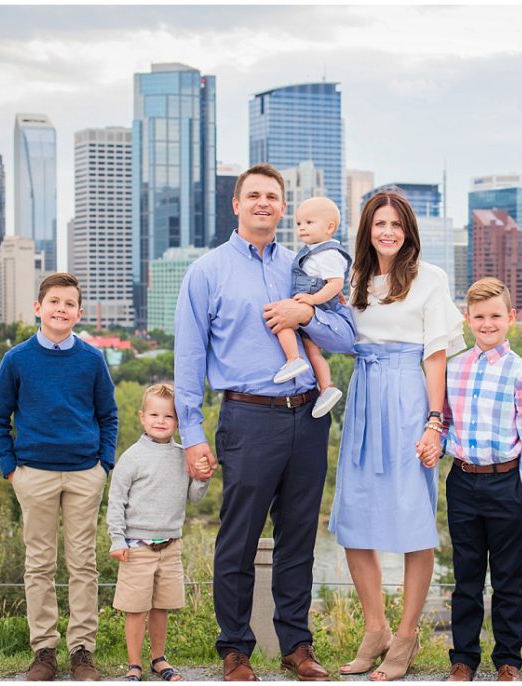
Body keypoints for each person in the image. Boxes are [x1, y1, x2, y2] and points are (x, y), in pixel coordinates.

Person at [173, 163, 356, 682]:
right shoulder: (206, 272)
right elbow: (188, 360)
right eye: (252, 195)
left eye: (272, 197)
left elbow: (345, 336)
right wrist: (191, 437)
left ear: (283, 206)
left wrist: (306, 317)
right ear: (236, 204)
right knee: (238, 538)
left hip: (309, 416)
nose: (263, 204)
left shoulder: (305, 264)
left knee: (299, 537)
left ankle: (297, 647)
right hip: (248, 416)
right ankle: (235, 650)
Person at [329, 191, 465, 682]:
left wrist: (434, 421)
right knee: (353, 519)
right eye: (379, 223)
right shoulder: (355, 278)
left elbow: (436, 356)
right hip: (365, 399)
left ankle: (406, 636)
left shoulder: (431, 279)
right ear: (368, 229)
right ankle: (375, 629)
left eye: (396, 224)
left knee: (412, 519)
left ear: (408, 230)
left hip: (409, 400)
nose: (387, 231)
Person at [0, 272, 118, 681]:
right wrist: (11, 469)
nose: (61, 309)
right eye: (54, 302)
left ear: (79, 313)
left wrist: (104, 465)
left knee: (83, 565)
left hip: (84, 474)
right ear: (38, 308)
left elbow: (108, 416)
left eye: (69, 304)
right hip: (34, 474)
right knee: (39, 564)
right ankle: (44, 650)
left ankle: (83, 652)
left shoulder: (92, 359)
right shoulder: (17, 359)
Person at [442, 278, 522, 683]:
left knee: (507, 577)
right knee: (466, 576)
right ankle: (464, 660)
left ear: (511, 318)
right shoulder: (453, 369)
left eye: (496, 316)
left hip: (507, 483)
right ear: (468, 319)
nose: (488, 324)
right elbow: (445, 422)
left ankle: (508, 661)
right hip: (463, 482)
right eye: (480, 317)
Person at [107, 383, 208, 682]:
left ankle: (159, 659)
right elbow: (116, 501)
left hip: (170, 545)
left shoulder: (182, 455)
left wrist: (202, 477)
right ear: (141, 417)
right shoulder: (132, 457)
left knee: (161, 607)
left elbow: (196, 495)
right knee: (136, 609)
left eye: (169, 416)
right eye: (154, 414)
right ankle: (134, 664)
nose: (161, 421)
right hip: (136, 546)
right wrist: (116, 539)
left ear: (178, 422)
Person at [271, 196, 352, 418]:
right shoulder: (315, 252)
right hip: (317, 302)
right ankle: (326, 388)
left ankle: (293, 359)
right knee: (314, 351)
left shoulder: (327, 254)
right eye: (299, 223)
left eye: (309, 222)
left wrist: (312, 300)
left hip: (315, 302)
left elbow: (335, 283)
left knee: (280, 319)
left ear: (330, 228)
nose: (302, 228)